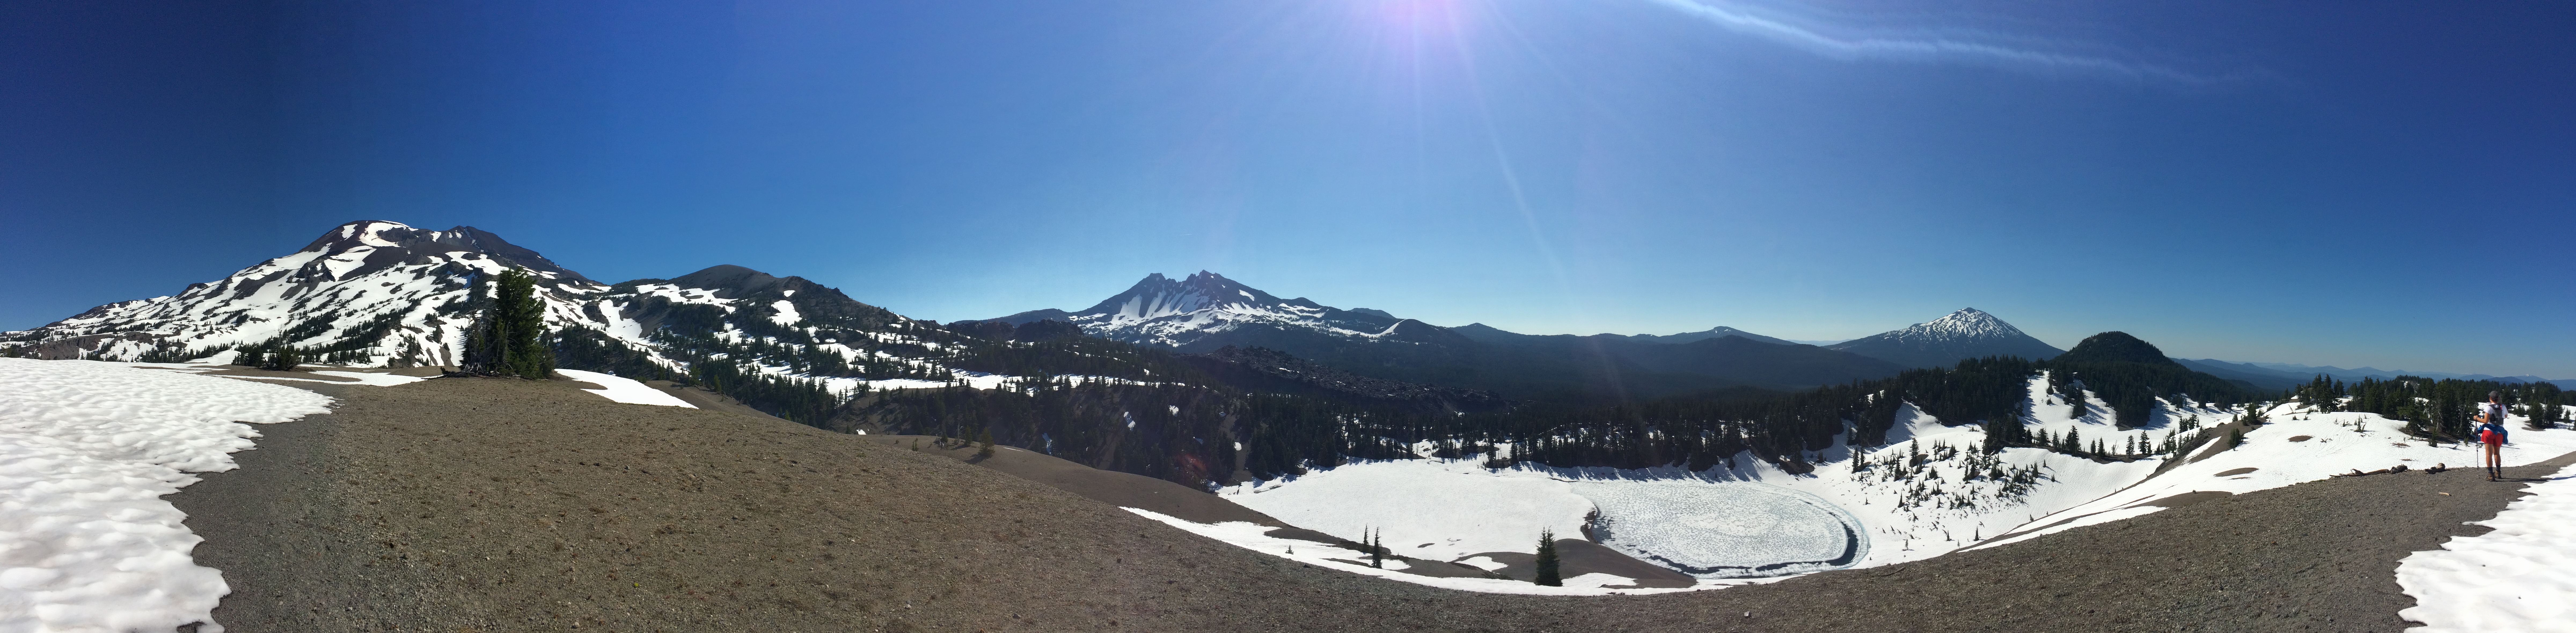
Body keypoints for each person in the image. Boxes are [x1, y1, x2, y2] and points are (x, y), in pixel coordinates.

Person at [2476, 391, 2510, 481]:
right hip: (2500, 432)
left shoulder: (2488, 408)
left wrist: (2477, 418)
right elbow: (2506, 416)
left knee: (2489, 454)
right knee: (2497, 453)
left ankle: (2491, 475)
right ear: (2498, 399)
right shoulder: (2503, 407)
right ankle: (2498, 472)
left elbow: (2486, 421)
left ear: (2490, 398)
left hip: (2489, 432)